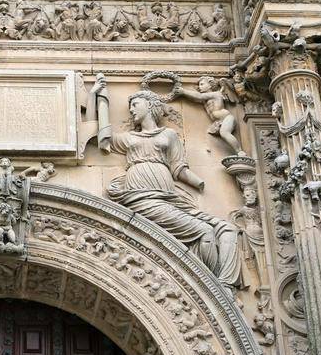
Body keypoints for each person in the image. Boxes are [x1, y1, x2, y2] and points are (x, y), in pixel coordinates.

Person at [93, 79, 240, 289]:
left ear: (149, 105)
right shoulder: (129, 138)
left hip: (169, 197)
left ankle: (220, 283)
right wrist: (101, 98)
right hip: (141, 198)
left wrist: (199, 183)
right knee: (204, 232)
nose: (131, 110)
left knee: (225, 228)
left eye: (135, 104)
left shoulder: (169, 135)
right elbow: (104, 138)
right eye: (130, 107)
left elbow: (178, 168)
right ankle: (216, 288)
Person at [175, 76, 244, 156]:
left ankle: (240, 151)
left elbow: (199, 96)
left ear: (210, 85)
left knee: (224, 132)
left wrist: (183, 91)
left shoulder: (215, 94)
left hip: (226, 118)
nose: (199, 87)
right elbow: (195, 98)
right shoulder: (206, 98)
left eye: (202, 84)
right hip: (218, 122)